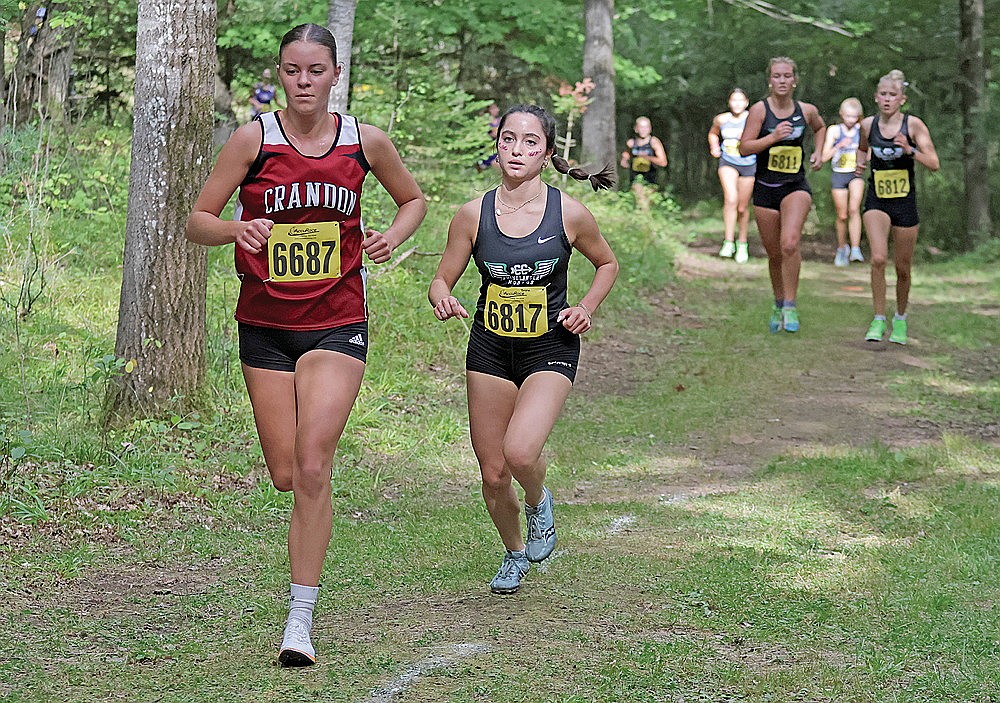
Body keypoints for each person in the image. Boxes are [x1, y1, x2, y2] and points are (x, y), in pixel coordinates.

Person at [185, 23, 426, 666]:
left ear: (334, 73)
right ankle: (300, 597)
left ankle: (299, 621)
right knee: (287, 472)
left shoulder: (364, 142)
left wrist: (391, 238)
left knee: (314, 465)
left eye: (316, 70)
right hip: (263, 322)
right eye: (292, 70)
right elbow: (197, 221)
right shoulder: (254, 139)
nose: (304, 82)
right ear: (280, 73)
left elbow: (413, 200)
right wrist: (238, 228)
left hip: (336, 319)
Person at [429, 104, 618, 595]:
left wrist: (586, 307)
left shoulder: (568, 213)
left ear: (547, 153)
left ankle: (538, 501)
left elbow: (607, 264)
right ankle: (514, 553)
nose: (517, 150)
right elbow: (442, 277)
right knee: (493, 473)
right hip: (490, 349)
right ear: (497, 146)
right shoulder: (472, 214)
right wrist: (443, 296)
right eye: (508, 139)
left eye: (530, 143)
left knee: (519, 451)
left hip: (550, 347)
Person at [739, 57, 826, 333]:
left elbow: (820, 127)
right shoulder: (759, 111)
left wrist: (819, 152)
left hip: (795, 187)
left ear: (795, 80)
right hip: (766, 189)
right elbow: (744, 148)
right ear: (770, 80)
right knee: (775, 253)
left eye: (787, 76)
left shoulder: (806, 110)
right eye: (777, 76)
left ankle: (790, 304)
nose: (782, 81)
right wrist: (773, 137)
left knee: (789, 244)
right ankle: (778, 301)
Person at [856, 69, 939, 345]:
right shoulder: (867, 125)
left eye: (893, 95)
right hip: (877, 200)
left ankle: (900, 319)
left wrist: (911, 150)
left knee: (903, 268)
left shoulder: (913, 126)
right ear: (876, 98)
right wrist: (859, 166)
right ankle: (878, 318)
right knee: (878, 258)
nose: (888, 99)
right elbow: (862, 147)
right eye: (883, 94)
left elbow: (934, 163)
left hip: (904, 202)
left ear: (902, 99)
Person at [708, 88, 756, 263]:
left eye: (740, 100)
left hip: (749, 164)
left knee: (743, 207)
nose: (737, 104)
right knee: (730, 199)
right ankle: (728, 241)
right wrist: (714, 146)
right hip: (728, 162)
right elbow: (713, 133)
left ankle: (742, 243)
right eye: (733, 100)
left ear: (746, 102)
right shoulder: (722, 119)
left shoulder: (752, 119)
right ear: (729, 102)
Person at [823, 97, 866, 266]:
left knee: (854, 209)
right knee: (842, 215)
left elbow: (868, 152)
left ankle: (856, 248)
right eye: (848, 116)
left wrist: (862, 159)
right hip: (839, 175)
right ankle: (842, 248)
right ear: (841, 114)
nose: (851, 120)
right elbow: (825, 156)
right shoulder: (834, 131)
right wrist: (839, 146)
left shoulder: (861, 130)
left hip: (855, 174)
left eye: (854, 117)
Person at [619, 116, 667, 211]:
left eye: (646, 127)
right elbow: (626, 154)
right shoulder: (631, 143)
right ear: (636, 129)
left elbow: (663, 162)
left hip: (651, 177)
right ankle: (642, 221)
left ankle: (647, 222)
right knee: (640, 201)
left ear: (650, 129)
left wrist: (648, 157)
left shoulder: (654, 142)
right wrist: (624, 161)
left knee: (648, 203)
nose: (644, 130)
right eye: (641, 127)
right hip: (636, 177)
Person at [475, 102, 501, 172]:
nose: (497, 110)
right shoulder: (484, 122)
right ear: (489, 110)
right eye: (494, 108)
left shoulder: (501, 120)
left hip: (498, 148)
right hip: (487, 148)